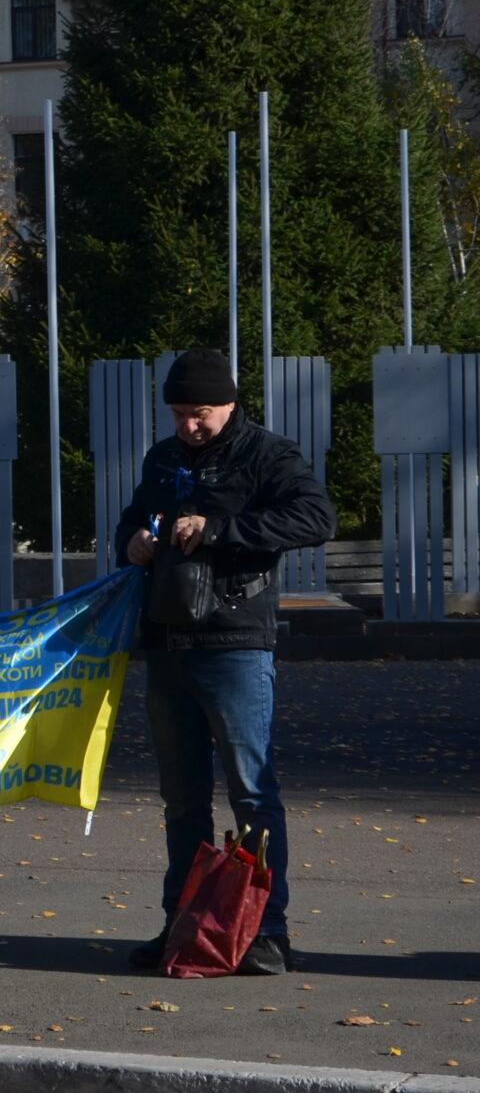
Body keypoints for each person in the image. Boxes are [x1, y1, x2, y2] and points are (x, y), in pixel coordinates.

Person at [115, 348, 334, 977]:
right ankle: (182, 927)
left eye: (201, 414)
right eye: (180, 414)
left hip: (236, 644)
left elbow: (316, 517)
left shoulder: (267, 453)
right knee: (182, 803)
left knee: (252, 796)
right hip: (167, 645)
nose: (189, 426)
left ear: (231, 405)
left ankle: (267, 932)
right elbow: (129, 523)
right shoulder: (164, 459)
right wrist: (130, 541)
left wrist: (216, 528)